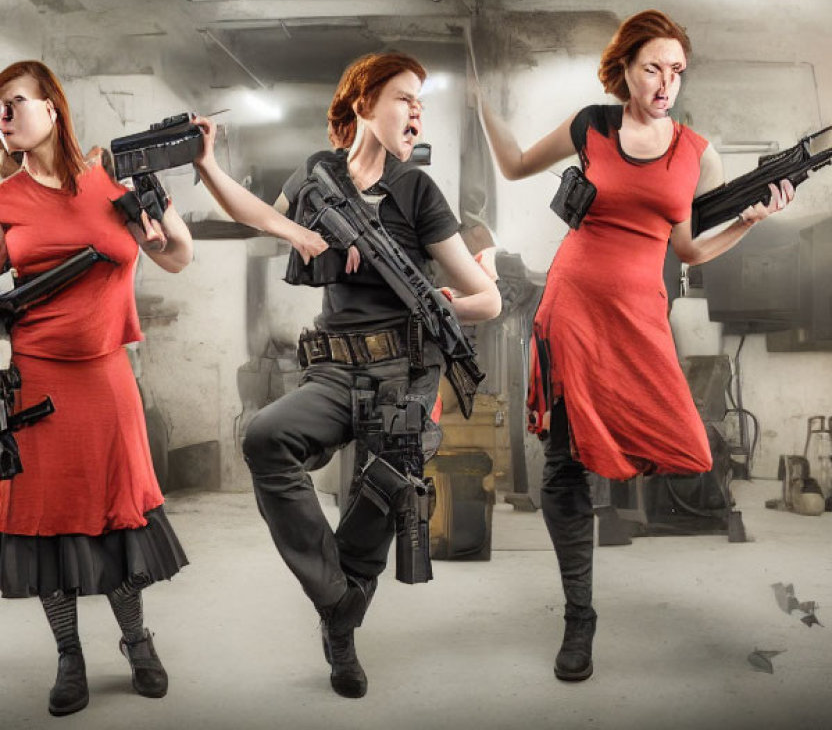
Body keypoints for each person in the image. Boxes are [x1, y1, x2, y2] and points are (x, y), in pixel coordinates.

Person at [475, 10, 795, 682]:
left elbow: (685, 247)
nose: (666, 81)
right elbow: (511, 164)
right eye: (654, 66)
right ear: (623, 67)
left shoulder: (695, 151)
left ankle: (603, 472)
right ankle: (579, 618)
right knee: (563, 464)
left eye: (677, 70)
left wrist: (751, 221)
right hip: (570, 310)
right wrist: (480, 101)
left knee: (691, 449)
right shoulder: (592, 125)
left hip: (639, 317)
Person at [192, 51, 501, 699]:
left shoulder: (418, 191)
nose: (417, 109)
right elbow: (256, 215)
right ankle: (338, 601)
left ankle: (340, 641)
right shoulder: (315, 176)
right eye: (403, 97)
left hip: (402, 378)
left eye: (422, 100)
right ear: (363, 103)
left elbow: (487, 299)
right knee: (265, 439)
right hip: (333, 371)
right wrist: (208, 165)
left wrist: (446, 301)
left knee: (380, 497)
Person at [0, 60, 194, 716]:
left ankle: (136, 641)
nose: (2, 118)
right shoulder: (3, 199)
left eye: (13, 103)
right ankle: (68, 654)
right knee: (50, 522)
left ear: (52, 108)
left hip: (107, 378)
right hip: (37, 385)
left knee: (117, 516)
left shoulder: (110, 174)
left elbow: (177, 255)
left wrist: (154, 221)